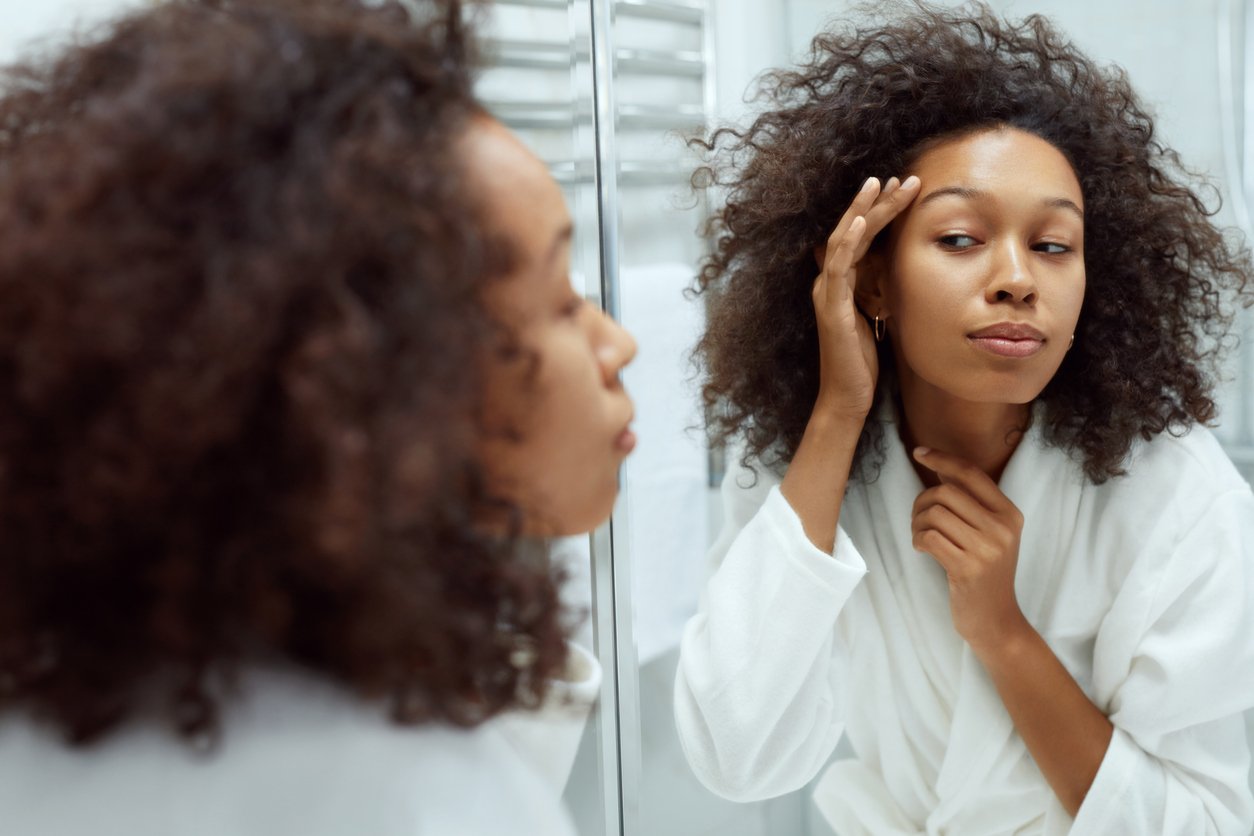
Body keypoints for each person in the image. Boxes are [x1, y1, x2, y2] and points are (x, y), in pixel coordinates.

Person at [0, 1, 636, 834]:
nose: (617, 343)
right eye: (559, 300)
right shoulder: (414, 799)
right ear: (388, 377)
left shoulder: (80, 700)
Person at [674, 4, 1254, 834]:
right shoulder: (811, 471)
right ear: (869, 280)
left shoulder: (1176, 492)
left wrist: (1004, 633)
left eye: (1054, 245)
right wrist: (839, 413)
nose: (1018, 278)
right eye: (958, 238)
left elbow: (1206, 823)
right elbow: (737, 758)